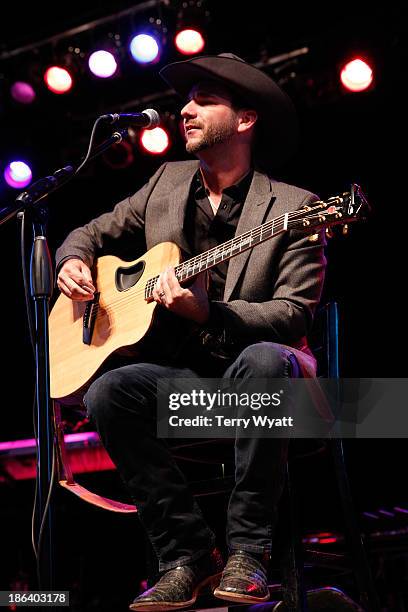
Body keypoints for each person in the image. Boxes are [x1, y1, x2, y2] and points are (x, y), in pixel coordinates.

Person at [55, 53, 326, 611]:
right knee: (111, 391)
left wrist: (210, 315)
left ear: (245, 121)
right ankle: (188, 554)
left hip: (268, 390)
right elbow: (90, 230)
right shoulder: (165, 182)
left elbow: (294, 314)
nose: (186, 109)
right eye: (187, 100)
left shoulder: (297, 208)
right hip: (191, 393)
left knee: (264, 361)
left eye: (204, 99)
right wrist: (73, 258)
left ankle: (249, 552)